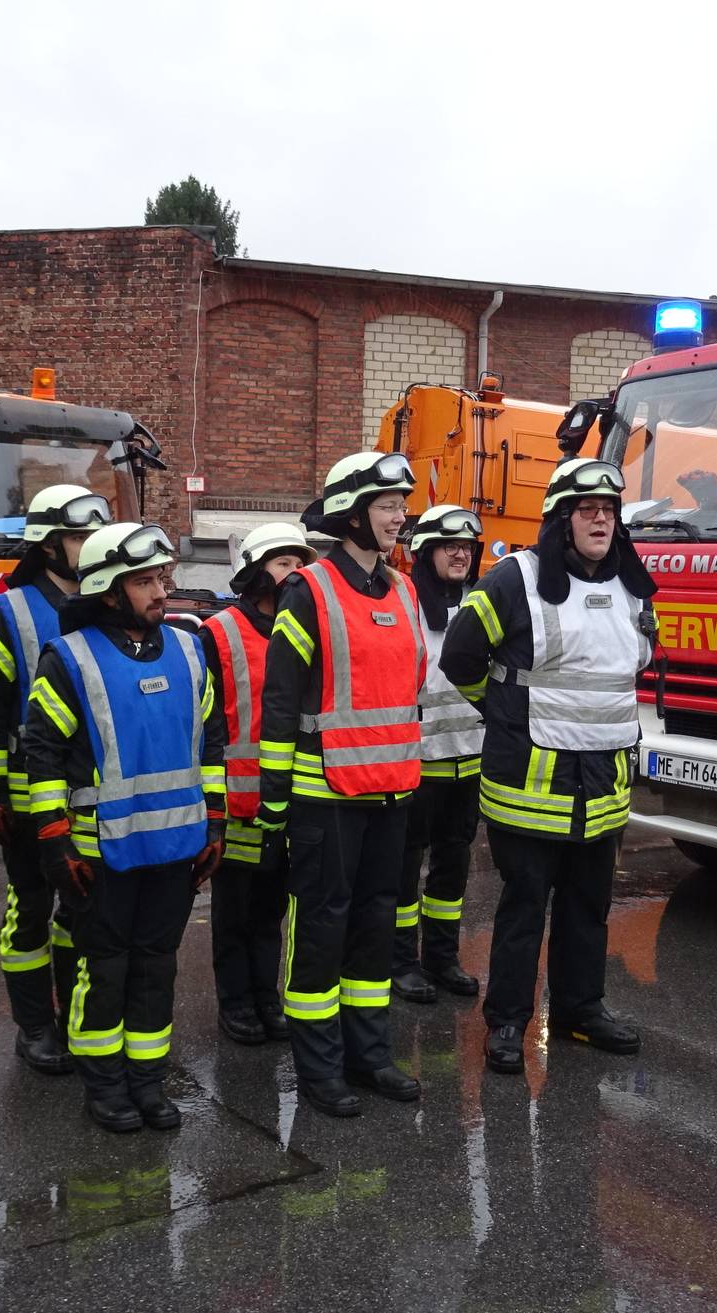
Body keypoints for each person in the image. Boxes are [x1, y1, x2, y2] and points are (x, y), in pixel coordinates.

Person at [439, 458, 657, 1076]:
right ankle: (508, 1022)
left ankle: (578, 1013)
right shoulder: (513, 580)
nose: (600, 519)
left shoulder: (632, 587)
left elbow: (625, 674)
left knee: (588, 909)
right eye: (586, 509)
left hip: (602, 790)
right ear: (561, 520)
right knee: (523, 910)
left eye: (609, 510)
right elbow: (460, 657)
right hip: (527, 789)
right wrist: (505, 710)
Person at [21, 521, 227, 1132]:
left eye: (163, 577)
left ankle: (146, 1081)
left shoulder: (191, 650)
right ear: (110, 591)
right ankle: (104, 1087)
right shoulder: (71, 658)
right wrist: (54, 838)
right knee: (104, 972)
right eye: (145, 580)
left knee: (155, 968)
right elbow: (42, 753)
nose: (162, 590)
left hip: (175, 847)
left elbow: (210, 744)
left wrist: (214, 823)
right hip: (100, 854)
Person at [259, 451, 427, 1117]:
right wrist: (275, 800)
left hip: (390, 792)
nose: (399, 517)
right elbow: (279, 704)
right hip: (323, 796)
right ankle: (320, 1068)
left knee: (373, 927)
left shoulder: (405, 590)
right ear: (354, 514)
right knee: (322, 931)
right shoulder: (310, 590)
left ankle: (369, 1054)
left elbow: (409, 688)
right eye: (388, 505)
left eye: (400, 506)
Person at [0, 484, 115, 1076]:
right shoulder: (11, 608)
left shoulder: (106, 600)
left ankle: (69, 1015)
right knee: (29, 909)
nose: (90, 548)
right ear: (50, 545)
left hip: (91, 794)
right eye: (80, 537)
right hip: (29, 793)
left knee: (79, 911)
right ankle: (34, 1027)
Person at [201, 522, 314, 1043]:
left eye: (300, 563)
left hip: (292, 797)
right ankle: (236, 1003)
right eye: (283, 563)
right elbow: (207, 724)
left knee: (272, 910)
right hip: (238, 798)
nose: (295, 574)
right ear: (255, 572)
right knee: (234, 911)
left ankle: (267, 999)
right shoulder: (218, 632)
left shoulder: (308, 627)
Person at [391, 503, 486, 1004]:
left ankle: (442, 958)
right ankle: (401, 960)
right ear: (424, 553)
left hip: (470, 760)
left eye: (468, 547)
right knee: (406, 866)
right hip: (418, 761)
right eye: (450, 546)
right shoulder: (405, 604)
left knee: (453, 865)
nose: (460, 554)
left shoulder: (482, 603)